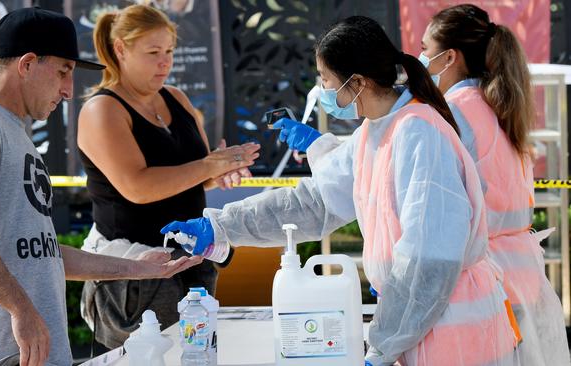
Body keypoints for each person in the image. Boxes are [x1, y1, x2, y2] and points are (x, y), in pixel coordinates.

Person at [163, 16, 522, 366]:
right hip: (420, 325)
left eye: (326, 79)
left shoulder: (419, 134)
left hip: (457, 334)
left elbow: (427, 262)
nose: (323, 91)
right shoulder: (377, 130)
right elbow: (315, 203)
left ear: (359, 83)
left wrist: (382, 344)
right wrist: (223, 226)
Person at [0, 8, 201, 366]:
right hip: (2, 354)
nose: (69, 90)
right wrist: (22, 311)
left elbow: (41, 252)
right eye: (63, 72)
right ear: (27, 64)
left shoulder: (11, 131)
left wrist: (137, 267)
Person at [76, 4, 260, 349]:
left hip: (192, 262)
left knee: (199, 355)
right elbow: (138, 187)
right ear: (120, 50)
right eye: (153, 53)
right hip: (136, 271)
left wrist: (221, 169)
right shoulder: (102, 109)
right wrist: (210, 166)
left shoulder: (176, 97)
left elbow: (195, 175)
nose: (165, 62)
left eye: (170, 52)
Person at [419, 4, 570, 365]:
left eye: (425, 49)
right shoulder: (497, 104)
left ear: (449, 56)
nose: (419, 57)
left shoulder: (452, 112)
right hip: (519, 275)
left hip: (483, 281)